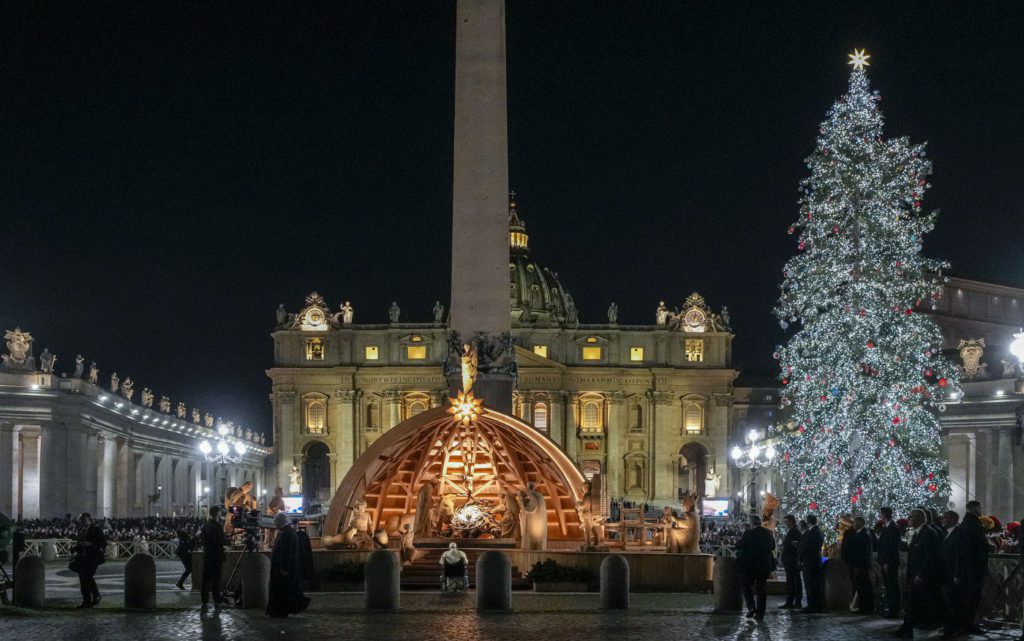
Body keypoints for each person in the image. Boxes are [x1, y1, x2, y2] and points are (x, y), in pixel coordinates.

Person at [942, 501, 989, 638]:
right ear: (975, 509)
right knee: (968, 601)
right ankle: (964, 626)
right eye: (980, 508)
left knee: (961, 601)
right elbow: (967, 551)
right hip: (972, 571)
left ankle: (960, 626)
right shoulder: (972, 525)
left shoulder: (964, 526)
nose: (981, 510)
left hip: (962, 571)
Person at [893, 509, 942, 638]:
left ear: (920, 518)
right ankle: (908, 627)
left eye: (911, 516)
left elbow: (930, 557)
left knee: (918, 601)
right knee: (912, 601)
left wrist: (921, 573)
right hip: (914, 574)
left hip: (922, 576)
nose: (908, 518)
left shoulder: (928, 534)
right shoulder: (918, 533)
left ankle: (912, 627)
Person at [267, 512, 310, 618]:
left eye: (276, 522)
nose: (275, 524)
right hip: (283, 569)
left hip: (284, 570)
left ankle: (281, 610)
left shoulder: (287, 533)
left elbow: (287, 553)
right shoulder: (286, 532)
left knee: (283, 590)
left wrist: (284, 568)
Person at [735, 514, 776, 620]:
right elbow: (772, 546)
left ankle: (751, 607)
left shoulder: (748, 533)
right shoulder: (768, 533)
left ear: (752, 522)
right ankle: (760, 613)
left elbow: (738, 545)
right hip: (764, 565)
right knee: (762, 589)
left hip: (750, 565)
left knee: (746, 585)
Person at [71, 512, 106, 608]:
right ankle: (86, 600)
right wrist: (73, 549)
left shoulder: (96, 529)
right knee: (83, 579)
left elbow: (102, 543)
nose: (82, 522)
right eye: (81, 520)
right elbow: (80, 543)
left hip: (92, 558)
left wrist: (90, 544)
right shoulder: (81, 530)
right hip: (82, 558)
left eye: (84, 520)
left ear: (89, 520)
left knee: (87, 577)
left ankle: (96, 596)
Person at [843, 516, 874, 614]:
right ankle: (864, 607)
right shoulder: (861, 533)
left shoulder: (863, 534)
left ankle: (867, 608)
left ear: (860, 523)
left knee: (863, 586)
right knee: (861, 587)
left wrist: (857, 566)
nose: (853, 524)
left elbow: (862, 553)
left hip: (861, 566)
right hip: (860, 565)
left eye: (855, 522)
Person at [200, 506, 227, 609]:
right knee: (216, 579)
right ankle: (217, 599)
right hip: (216, 555)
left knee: (206, 578)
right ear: (218, 513)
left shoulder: (206, 525)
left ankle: (204, 600)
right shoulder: (218, 526)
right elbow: (221, 540)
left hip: (207, 555)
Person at [878, 506, 902, 618]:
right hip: (886, 561)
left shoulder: (893, 527)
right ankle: (891, 608)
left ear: (885, 515)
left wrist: (887, 562)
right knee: (888, 586)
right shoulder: (887, 527)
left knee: (892, 586)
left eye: (881, 514)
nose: (880, 516)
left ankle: (894, 610)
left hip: (890, 562)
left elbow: (892, 547)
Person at [798, 513, 824, 612]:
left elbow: (807, 547)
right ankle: (816, 604)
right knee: (815, 584)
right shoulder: (819, 531)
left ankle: (812, 605)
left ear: (808, 522)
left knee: (810, 584)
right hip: (816, 560)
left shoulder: (812, 532)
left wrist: (800, 559)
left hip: (809, 561)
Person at [779, 514, 803, 609]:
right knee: (791, 581)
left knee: (794, 581)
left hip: (792, 560)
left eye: (786, 522)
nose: (785, 524)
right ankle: (791, 601)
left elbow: (795, 545)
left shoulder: (795, 531)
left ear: (791, 521)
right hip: (789, 559)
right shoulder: (792, 530)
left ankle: (795, 601)